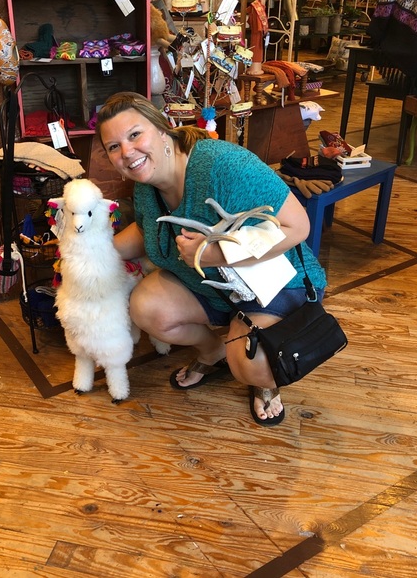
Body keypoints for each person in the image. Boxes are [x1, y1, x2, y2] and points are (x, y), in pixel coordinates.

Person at [96, 92, 327, 426]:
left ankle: (266, 379)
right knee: (146, 306)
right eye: (113, 146)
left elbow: (298, 226)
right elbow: (147, 232)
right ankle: (213, 350)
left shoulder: (222, 164)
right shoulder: (146, 185)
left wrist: (213, 253)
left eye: (135, 135)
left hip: (273, 287)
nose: (127, 152)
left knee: (251, 363)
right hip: (216, 289)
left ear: (162, 129)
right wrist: (88, 252)